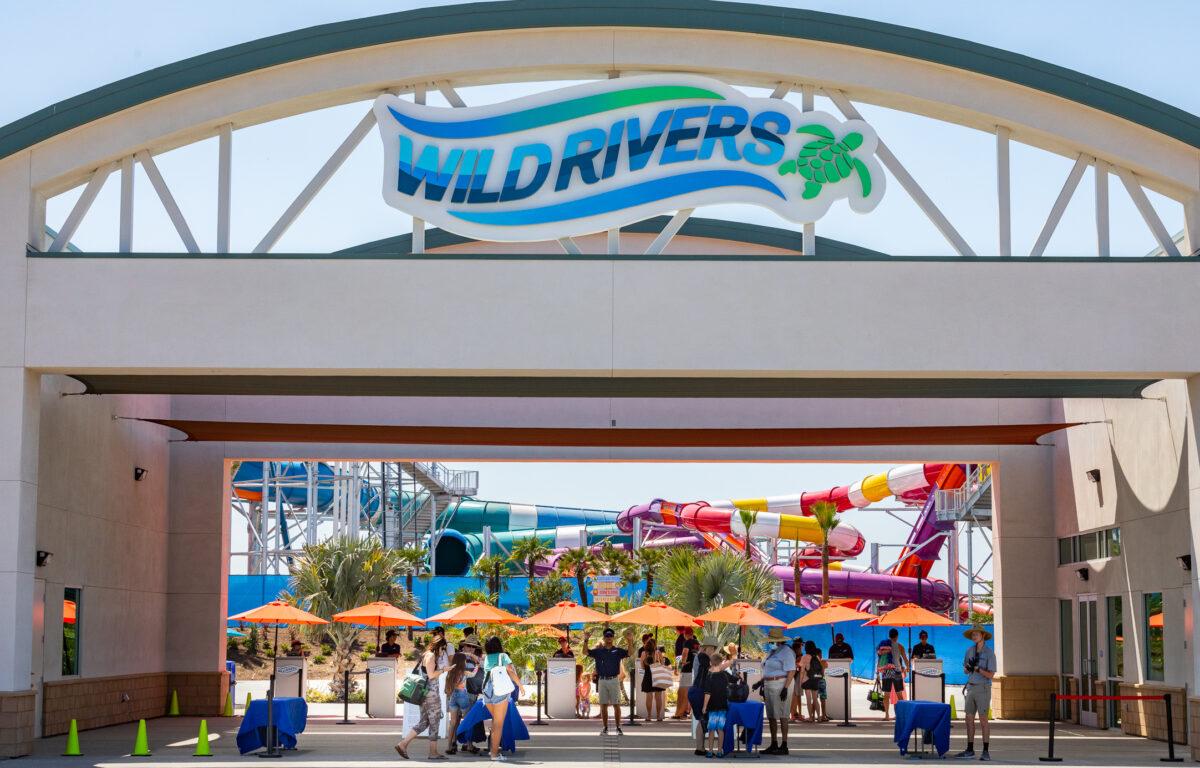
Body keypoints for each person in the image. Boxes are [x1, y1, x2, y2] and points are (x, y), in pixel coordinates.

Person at [395, 637, 449, 760]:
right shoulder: (430, 656)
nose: (443, 652)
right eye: (443, 648)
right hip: (431, 695)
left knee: (424, 722)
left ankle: (403, 744)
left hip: (425, 694)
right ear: (439, 646)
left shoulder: (426, 654)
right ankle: (433, 752)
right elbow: (431, 675)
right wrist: (443, 670)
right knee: (434, 722)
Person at [955, 625, 996, 762]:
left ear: (983, 636)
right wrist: (968, 668)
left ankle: (985, 751)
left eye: (977, 634)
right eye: (973, 634)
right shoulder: (969, 651)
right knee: (969, 719)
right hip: (971, 688)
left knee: (983, 719)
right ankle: (970, 749)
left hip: (983, 688)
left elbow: (990, 675)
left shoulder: (989, 653)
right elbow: (965, 670)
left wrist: (979, 669)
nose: (974, 636)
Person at [482, 635, 525, 762]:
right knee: (498, 724)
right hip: (499, 690)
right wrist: (520, 685)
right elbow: (511, 671)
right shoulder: (503, 656)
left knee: (495, 721)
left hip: (487, 691)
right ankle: (494, 754)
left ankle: (493, 750)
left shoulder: (486, 658)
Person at [584, 627, 634, 736]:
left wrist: (630, 641)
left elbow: (630, 653)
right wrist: (586, 640)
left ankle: (618, 727)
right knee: (603, 705)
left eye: (610, 636)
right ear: (604, 637)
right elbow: (585, 652)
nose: (609, 638)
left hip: (614, 680)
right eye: (607, 636)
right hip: (602, 680)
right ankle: (605, 727)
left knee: (616, 704)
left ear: (613, 637)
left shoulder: (617, 651)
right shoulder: (599, 651)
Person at [759, 628, 796, 754]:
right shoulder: (772, 651)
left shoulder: (786, 651)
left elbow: (792, 670)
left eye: (772, 641)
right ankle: (774, 743)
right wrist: (761, 683)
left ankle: (784, 745)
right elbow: (767, 669)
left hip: (781, 684)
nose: (770, 643)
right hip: (770, 684)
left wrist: (785, 688)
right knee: (771, 716)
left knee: (782, 715)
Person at [701, 650, 732, 758]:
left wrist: (704, 706)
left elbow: (707, 693)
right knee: (720, 730)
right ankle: (719, 751)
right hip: (723, 706)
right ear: (720, 662)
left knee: (711, 730)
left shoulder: (709, 677)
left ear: (710, 663)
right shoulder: (724, 675)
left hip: (712, 707)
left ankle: (710, 751)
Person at [688, 641, 717, 755]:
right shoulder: (702, 656)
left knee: (702, 720)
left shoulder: (700, 657)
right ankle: (700, 748)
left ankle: (700, 748)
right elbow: (712, 668)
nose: (713, 650)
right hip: (699, 691)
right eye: (712, 648)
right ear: (706, 648)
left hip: (697, 690)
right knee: (703, 719)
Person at [876, 628, 908, 721]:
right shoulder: (900, 646)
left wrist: (878, 670)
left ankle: (887, 715)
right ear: (897, 636)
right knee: (899, 695)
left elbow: (880, 658)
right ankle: (900, 715)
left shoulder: (884, 645)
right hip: (897, 671)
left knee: (886, 694)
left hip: (887, 671)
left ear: (889, 636)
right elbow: (905, 659)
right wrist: (908, 667)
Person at [673, 625, 700, 718]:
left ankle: (680, 713)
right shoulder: (697, 642)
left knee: (683, 692)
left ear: (686, 634)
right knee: (691, 692)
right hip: (694, 669)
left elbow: (684, 652)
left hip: (687, 669)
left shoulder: (687, 642)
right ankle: (691, 712)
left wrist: (682, 663)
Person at [798, 640, 827, 722]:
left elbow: (802, 670)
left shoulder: (805, 657)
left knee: (808, 699)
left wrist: (800, 681)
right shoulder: (816, 657)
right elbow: (821, 668)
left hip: (807, 680)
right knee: (815, 699)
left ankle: (811, 717)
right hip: (815, 680)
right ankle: (819, 717)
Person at [790, 639, 806, 722]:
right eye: (801, 646)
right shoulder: (796, 656)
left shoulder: (792, 654)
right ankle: (793, 714)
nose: (802, 648)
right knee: (795, 696)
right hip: (795, 677)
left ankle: (796, 713)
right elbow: (797, 665)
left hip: (795, 676)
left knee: (797, 695)